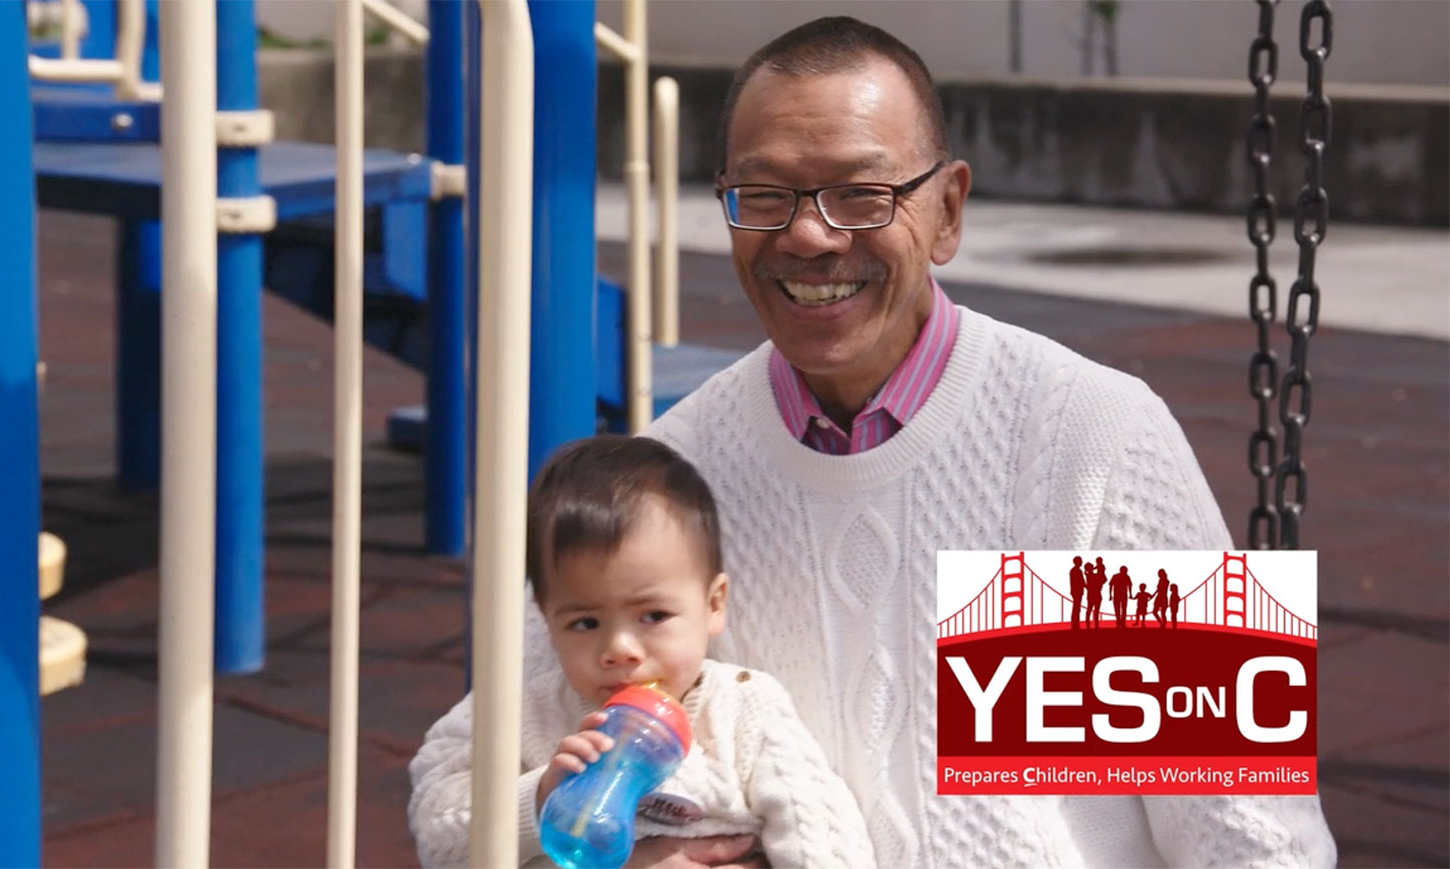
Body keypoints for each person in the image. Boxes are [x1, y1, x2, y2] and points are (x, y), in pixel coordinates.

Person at [414, 15, 1336, 868]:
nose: (809, 235)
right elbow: (472, 791)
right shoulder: (674, 485)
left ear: (948, 211)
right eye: (764, 195)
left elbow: (1252, 833)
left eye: (862, 194)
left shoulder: (1087, 441)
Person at [408, 435, 875, 868]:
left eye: (653, 615)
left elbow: (824, 837)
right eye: (585, 623)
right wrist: (539, 798)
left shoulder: (745, 712)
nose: (620, 649)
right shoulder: (523, 713)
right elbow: (437, 835)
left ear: (713, 604)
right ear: (547, 622)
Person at [1068, 555, 1085, 629]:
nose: (1082, 562)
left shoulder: (1074, 570)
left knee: (1076, 607)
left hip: (1076, 591)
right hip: (1077, 591)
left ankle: (1075, 623)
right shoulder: (1077, 571)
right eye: (1080, 561)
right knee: (1076, 607)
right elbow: (1081, 581)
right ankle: (1075, 623)